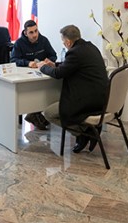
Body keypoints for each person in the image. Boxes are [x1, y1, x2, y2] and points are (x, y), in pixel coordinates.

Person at [37, 25, 108, 153]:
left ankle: (83, 133)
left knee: (49, 113)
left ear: (68, 42)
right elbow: (72, 65)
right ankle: (87, 130)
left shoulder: (75, 52)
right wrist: (55, 64)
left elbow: (58, 74)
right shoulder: (90, 47)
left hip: (87, 101)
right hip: (101, 98)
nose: (64, 44)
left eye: (63, 42)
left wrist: (42, 67)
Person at [10, 20, 58, 130]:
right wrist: (28, 63)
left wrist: (49, 61)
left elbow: (53, 55)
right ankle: (33, 112)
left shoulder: (43, 40)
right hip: (25, 75)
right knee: (32, 90)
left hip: (42, 72)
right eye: (31, 32)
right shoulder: (19, 43)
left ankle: (36, 113)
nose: (35, 35)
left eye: (36, 31)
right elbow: (13, 60)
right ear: (25, 33)